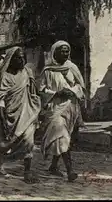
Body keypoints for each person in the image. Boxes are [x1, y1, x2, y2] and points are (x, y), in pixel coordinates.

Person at [0, 47, 41, 184]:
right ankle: (0, 164)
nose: (22, 60)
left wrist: (36, 110)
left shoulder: (27, 72)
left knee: (29, 142)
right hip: (9, 115)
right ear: (10, 60)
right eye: (18, 58)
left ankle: (27, 172)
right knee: (4, 144)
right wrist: (2, 117)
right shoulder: (5, 76)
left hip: (27, 113)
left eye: (23, 57)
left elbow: (33, 93)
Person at [39, 40, 86, 182]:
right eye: (62, 51)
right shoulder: (48, 70)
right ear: (55, 52)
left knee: (63, 138)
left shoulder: (73, 68)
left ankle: (53, 166)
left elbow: (80, 86)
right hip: (55, 107)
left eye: (67, 51)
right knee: (62, 136)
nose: (65, 53)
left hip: (70, 107)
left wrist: (73, 91)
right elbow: (41, 89)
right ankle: (70, 171)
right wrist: (56, 93)